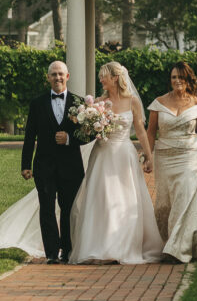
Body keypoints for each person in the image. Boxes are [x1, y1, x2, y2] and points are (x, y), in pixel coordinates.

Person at [68, 62, 162, 265]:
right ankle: (100, 246)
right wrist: (92, 125)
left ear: (115, 78)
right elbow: (89, 133)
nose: (101, 80)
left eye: (104, 76)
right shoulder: (99, 103)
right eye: (101, 76)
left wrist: (148, 155)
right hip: (102, 155)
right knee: (103, 199)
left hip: (124, 155)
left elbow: (140, 130)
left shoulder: (132, 101)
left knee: (126, 199)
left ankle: (123, 245)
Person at [146, 61, 197, 264]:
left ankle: (178, 249)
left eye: (181, 78)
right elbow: (151, 132)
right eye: (174, 77)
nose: (177, 81)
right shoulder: (159, 103)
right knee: (164, 204)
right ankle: (175, 243)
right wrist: (148, 157)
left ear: (188, 80)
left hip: (190, 156)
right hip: (165, 157)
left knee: (184, 200)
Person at [20, 60, 85, 263]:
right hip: (44, 166)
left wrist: (69, 139)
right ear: (48, 77)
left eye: (60, 74)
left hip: (71, 166)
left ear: (67, 77)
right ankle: (51, 253)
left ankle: (67, 250)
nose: (57, 77)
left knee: (68, 210)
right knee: (47, 208)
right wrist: (25, 165)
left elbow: (89, 134)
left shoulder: (79, 102)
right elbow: (30, 135)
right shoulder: (37, 103)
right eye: (53, 74)